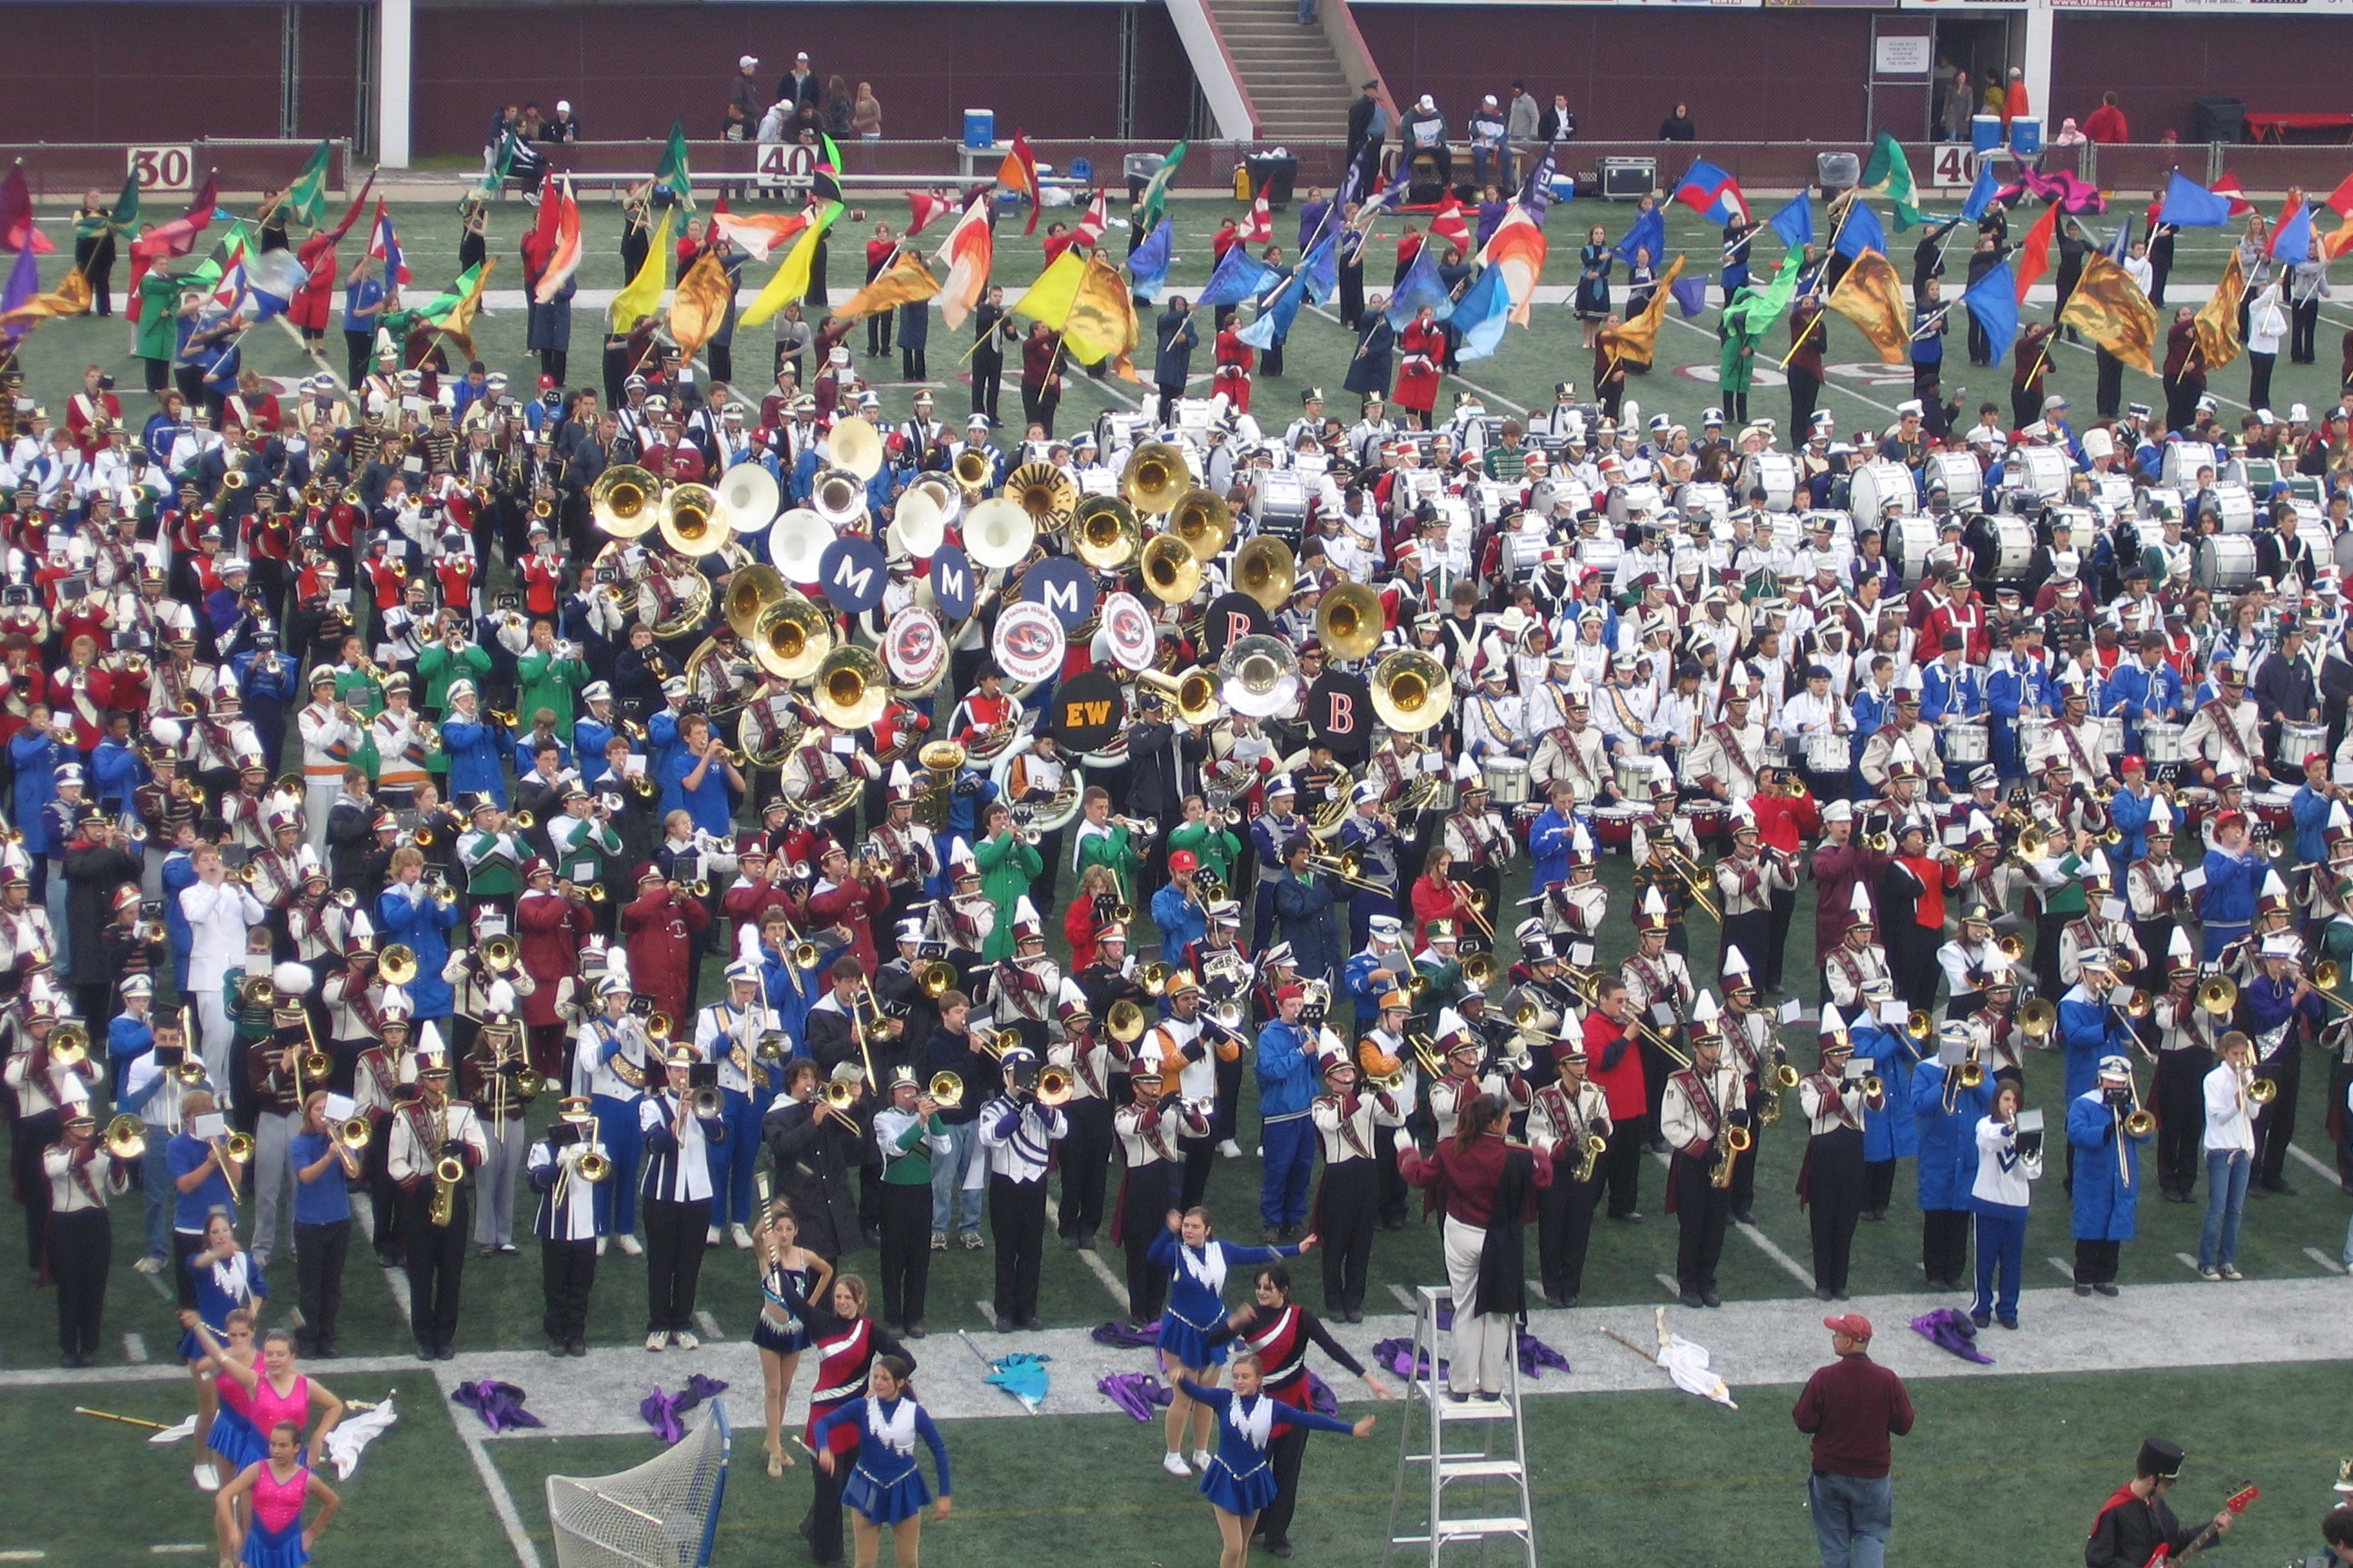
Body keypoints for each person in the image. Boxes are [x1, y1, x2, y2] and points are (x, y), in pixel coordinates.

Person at [1202, 1267, 1394, 1558]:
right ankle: (1252, 1522)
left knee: (1287, 1473)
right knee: (1253, 1467)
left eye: (1268, 1287)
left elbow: (1332, 1348)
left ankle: (1277, 1534)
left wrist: (1369, 1378)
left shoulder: (1300, 1316)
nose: (1262, 1292)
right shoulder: (1250, 1317)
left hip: (1294, 1405)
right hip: (1259, 1410)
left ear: (1284, 1291)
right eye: (1259, 1287)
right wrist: (1233, 1322)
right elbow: (1211, 1341)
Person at [1400, 1093, 1551, 1401]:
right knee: (1499, 1311)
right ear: (1495, 1124)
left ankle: (1462, 1384)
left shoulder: (1449, 1148)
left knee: (1467, 1308)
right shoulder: (1518, 1155)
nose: (1511, 1122)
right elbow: (1544, 1179)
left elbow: (1418, 1175)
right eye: (1507, 1118)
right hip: (1502, 1239)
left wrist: (1406, 1152)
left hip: (1462, 1234)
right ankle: (1492, 1386)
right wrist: (1544, 1153)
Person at [1149, 1206, 1312, 1476]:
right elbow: (1152, 1255)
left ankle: (1201, 1452)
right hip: (1182, 1332)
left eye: (1194, 1226)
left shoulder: (1221, 1250)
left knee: (1207, 1397)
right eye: (1186, 1226)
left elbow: (1255, 1254)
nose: (1188, 1230)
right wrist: (1168, 1230)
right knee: (1183, 1397)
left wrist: (1296, 1248)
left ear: (1208, 1230)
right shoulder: (1175, 1252)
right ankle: (1172, 1454)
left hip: (1215, 1331)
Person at [1175, 1351, 1375, 1568]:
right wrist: (1180, 1376)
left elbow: (1309, 1419)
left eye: (1245, 1376)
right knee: (1233, 1547)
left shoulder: (1272, 1409)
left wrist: (1351, 1428)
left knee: (1242, 1549)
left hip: (1254, 1480)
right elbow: (1194, 1390)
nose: (1239, 1382)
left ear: (1259, 1379)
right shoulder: (1223, 1399)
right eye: (1236, 1376)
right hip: (1225, 1479)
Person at [804, 1275, 917, 1568]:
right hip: (824, 1417)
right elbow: (794, 1303)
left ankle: (812, 1526)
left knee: (845, 1486)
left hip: (855, 1420)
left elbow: (906, 1360)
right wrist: (772, 1262)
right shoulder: (823, 1324)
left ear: (860, 1301)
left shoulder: (870, 1331)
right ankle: (829, 1555)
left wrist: (878, 1385)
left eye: (847, 1298)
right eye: (838, 1297)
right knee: (830, 1489)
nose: (841, 1303)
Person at [1792, 1313, 1914, 1568]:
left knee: (1834, 1544)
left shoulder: (1824, 1377)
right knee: (1870, 1535)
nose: (1834, 1339)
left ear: (1849, 1342)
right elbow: (1904, 1425)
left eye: (1837, 1335)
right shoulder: (1887, 1379)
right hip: (1872, 1477)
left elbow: (1804, 1421)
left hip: (1829, 1475)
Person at [809, 1354, 950, 1568]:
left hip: (904, 1488)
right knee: (864, 1563)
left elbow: (939, 1450)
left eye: (884, 1378)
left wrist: (944, 1495)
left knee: (909, 1563)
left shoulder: (915, 1413)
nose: (877, 1382)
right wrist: (824, 1448)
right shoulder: (861, 1407)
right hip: (866, 1485)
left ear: (900, 1382)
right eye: (875, 1377)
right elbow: (823, 1424)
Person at [639, 1042, 729, 1351]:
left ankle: (682, 1323)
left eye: (686, 1071)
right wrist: (679, 1115)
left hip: (699, 1194)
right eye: (676, 1070)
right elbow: (656, 1144)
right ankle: (659, 1324)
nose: (681, 1076)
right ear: (666, 1072)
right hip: (660, 1195)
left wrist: (699, 1111)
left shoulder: (708, 1101)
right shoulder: (651, 1105)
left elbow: (719, 1137)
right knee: (661, 1261)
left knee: (690, 1262)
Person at [754, 1195, 833, 1477]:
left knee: (785, 1390)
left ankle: (772, 1439)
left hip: (795, 1331)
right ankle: (774, 1450)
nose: (784, 1234)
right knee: (773, 1389)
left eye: (789, 1229)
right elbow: (755, 1235)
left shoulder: (804, 1256)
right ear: (773, 1232)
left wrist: (810, 1305)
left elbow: (827, 1271)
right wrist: (773, 1210)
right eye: (779, 1229)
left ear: (796, 1231)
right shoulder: (768, 1254)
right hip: (770, 1330)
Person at [2069, 1054, 2152, 1296]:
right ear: (2100, 1080)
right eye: (2111, 1081)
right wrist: (2105, 1130)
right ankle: (2083, 1277)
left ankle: (2106, 1276)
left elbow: (2146, 1135)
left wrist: (2129, 1118)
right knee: (2090, 1226)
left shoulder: (2131, 1107)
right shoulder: (2084, 1104)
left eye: (2120, 1082)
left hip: (2122, 1176)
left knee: (2115, 1227)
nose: (2115, 1087)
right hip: (2093, 1176)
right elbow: (2076, 1134)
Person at [2085, 1439, 2236, 1568]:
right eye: (2167, 1484)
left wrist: (2213, 1528)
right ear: (2152, 1480)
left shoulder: (2157, 1505)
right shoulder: (2114, 1510)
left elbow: (2175, 1544)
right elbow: (2098, 1560)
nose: (2167, 1489)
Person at [214, 1421, 341, 1568]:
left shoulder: (307, 1479)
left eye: (283, 1445)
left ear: (296, 1448)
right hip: (258, 1548)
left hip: (289, 1550)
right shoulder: (257, 1470)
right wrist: (232, 1530)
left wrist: (312, 1532)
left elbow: (332, 1501)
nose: (276, 1450)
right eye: (272, 1444)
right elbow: (223, 1496)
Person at [1968, 1078, 2037, 1329]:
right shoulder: (1985, 1124)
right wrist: (2009, 1131)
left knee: (2012, 1263)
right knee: (1984, 1261)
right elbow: (1989, 1141)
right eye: (2006, 1099)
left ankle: (2008, 1309)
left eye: (2015, 1100)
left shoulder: (2029, 1128)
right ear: (1997, 1100)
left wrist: (2027, 1147)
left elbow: (2032, 1171)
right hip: (1987, 1202)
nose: (2011, 1105)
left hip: (2016, 1204)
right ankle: (1981, 1307)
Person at [2198, 1030, 2256, 1280]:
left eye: (2243, 1054)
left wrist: (2248, 1092)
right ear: (2224, 1053)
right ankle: (2206, 1261)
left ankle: (2226, 1261)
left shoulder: (2249, 1076)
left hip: (2243, 1147)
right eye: (2235, 1054)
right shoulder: (2213, 1079)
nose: (2239, 1060)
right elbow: (2219, 1118)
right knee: (2218, 1209)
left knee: (2236, 1210)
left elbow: (2253, 1114)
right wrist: (2236, 1101)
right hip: (2220, 1149)